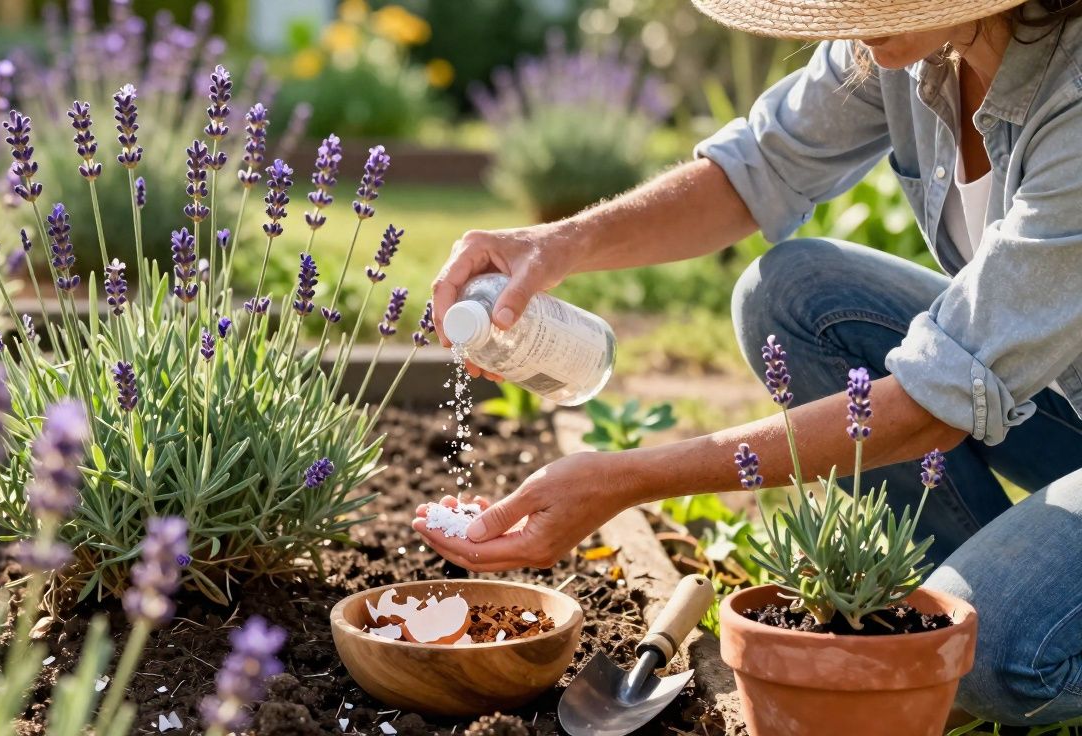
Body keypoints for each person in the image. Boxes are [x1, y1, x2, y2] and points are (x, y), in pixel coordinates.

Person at [413, 0, 1082, 726]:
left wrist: (628, 479)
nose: (853, 16)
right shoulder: (907, 39)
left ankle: (1013, 620)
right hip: (1060, 390)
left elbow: (927, 405)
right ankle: (977, 593)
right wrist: (557, 243)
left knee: (992, 654)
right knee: (789, 295)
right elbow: (754, 168)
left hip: (1026, 385)